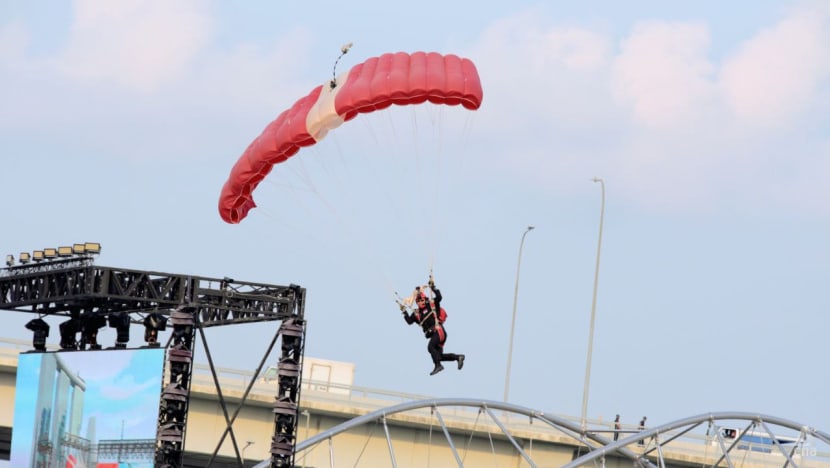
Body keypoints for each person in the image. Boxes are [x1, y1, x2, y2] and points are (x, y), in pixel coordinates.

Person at [401, 278, 465, 375]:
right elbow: (409, 322)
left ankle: (438, 366)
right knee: (439, 355)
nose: (420, 302)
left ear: (425, 299)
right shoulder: (417, 314)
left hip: (439, 331)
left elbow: (439, 297)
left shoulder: (431, 305)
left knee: (430, 347)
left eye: (422, 300)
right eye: (418, 301)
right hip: (436, 335)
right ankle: (458, 357)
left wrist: (433, 287)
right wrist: (404, 312)